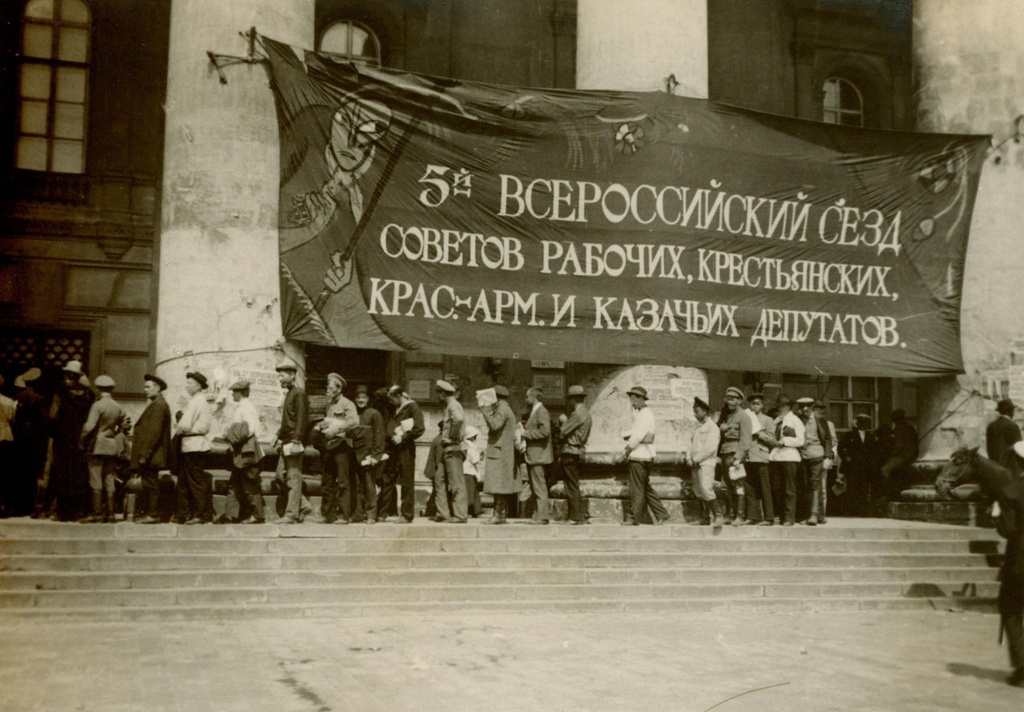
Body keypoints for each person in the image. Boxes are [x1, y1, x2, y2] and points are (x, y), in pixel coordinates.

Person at [46, 361, 94, 521]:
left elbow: (53, 416)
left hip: (63, 440)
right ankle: (79, 511)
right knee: (79, 475)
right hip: (80, 440)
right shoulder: (88, 396)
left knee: (62, 474)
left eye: (68, 376)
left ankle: (62, 512)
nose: (66, 379)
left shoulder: (60, 395)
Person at [78, 375, 126, 522]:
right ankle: (110, 514)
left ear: (98, 389)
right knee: (109, 479)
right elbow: (124, 426)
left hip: (97, 446)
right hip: (111, 446)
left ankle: (97, 514)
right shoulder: (118, 407)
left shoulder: (98, 405)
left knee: (95, 479)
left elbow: (89, 427)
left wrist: (81, 440)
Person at [314, 373, 359, 524]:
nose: (327, 388)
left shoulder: (347, 404)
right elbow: (329, 421)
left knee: (343, 482)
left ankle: (344, 515)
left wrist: (336, 428)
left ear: (339, 388)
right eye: (327, 385)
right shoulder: (331, 404)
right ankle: (328, 514)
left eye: (330, 386)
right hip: (329, 446)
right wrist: (322, 425)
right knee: (327, 481)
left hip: (342, 446)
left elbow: (353, 422)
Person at [997, 440, 1024, 687]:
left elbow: (1007, 530)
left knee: (1011, 609)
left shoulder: (1012, 489)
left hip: (1020, 562)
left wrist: (997, 514)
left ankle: (1022, 667)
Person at [622, 386, 669, 526]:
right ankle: (662, 514)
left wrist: (628, 448)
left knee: (636, 488)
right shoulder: (643, 413)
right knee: (645, 488)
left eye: (634, 399)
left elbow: (638, 435)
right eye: (631, 399)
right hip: (645, 455)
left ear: (641, 399)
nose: (632, 402)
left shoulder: (645, 414)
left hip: (639, 456)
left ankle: (633, 517)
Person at [222, 380, 265, 524]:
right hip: (243, 449)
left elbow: (248, 430)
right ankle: (230, 514)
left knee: (249, 482)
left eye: (234, 391)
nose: (232, 394)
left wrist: (229, 435)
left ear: (241, 392)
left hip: (247, 450)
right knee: (235, 482)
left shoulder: (246, 408)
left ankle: (258, 515)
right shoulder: (243, 407)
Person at [131, 374, 172, 524]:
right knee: (150, 483)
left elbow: (154, 432)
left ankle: (153, 514)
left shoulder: (159, 405)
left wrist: (144, 453)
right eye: (145, 387)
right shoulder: (157, 404)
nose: (145, 390)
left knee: (151, 483)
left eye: (148, 387)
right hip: (152, 453)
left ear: (158, 388)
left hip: (152, 454)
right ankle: (150, 512)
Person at [274, 361, 311, 524]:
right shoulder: (289, 394)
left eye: (282, 376)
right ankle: (303, 505)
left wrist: (297, 440)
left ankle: (291, 514)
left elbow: (302, 419)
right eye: (279, 376)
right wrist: (277, 435)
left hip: (293, 442)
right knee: (280, 475)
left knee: (293, 478)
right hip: (286, 440)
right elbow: (288, 420)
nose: (280, 379)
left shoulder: (299, 394)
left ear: (292, 375)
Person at [175, 371, 213, 524]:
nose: (187, 386)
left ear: (198, 387)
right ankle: (186, 513)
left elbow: (184, 425)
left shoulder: (196, 401)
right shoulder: (199, 401)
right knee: (185, 481)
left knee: (194, 482)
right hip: (191, 445)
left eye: (190, 383)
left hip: (193, 445)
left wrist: (178, 426)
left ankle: (199, 514)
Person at [383, 384, 424, 523]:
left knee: (406, 481)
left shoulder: (413, 407)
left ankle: (406, 515)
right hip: (394, 449)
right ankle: (382, 512)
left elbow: (419, 429)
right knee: (388, 478)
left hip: (406, 449)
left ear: (399, 396)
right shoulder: (397, 407)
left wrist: (403, 437)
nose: (390, 402)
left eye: (392, 399)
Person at [11, 369, 46, 518]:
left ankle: (18, 506)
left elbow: (13, 419)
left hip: (18, 437)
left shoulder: (17, 398)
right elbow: (43, 421)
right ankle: (30, 506)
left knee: (18, 472)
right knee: (31, 473)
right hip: (34, 439)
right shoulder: (40, 399)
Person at [481, 384, 517, 524]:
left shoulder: (502, 409)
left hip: (500, 453)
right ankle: (500, 515)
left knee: (499, 485)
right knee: (499, 485)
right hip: (501, 452)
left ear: (496, 397)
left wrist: (485, 411)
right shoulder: (505, 409)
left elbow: (495, 425)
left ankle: (498, 515)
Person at [717, 386, 753, 525]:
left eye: (732, 399)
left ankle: (740, 515)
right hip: (726, 452)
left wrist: (739, 457)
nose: (729, 402)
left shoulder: (744, 416)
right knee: (727, 485)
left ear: (739, 400)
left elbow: (746, 440)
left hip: (735, 454)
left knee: (738, 485)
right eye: (728, 399)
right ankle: (730, 513)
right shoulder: (728, 415)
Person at [795, 396, 833, 526]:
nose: (804, 409)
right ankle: (818, 515)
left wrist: (828, 456)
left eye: (807, 406)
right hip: (802, 456)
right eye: (801, 406)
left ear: (812, 407)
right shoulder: (798, 420)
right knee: (806, 485)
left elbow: (828, 438)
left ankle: (814, 515)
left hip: (817, 454)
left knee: (815, 483)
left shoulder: (820, 419)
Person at [434, 380, 468, 523]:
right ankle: (443, 513)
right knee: (439, 479)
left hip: (453, 448)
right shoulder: (452, 405)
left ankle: (460, 515)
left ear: (442, 394)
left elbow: (458, 419)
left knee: (456, 483)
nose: (437, 397)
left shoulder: (453, 406)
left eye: (438, 394)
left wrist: (452, 437)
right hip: (448, 450)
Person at [557, 385, 592, 525]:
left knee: (571, 486)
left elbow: (563, 431)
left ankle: (575, 516)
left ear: (573, 400)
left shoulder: (577, 414)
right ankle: (577, 515)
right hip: (578, 451)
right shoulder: (587, 414)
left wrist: (563, 420)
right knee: (574, 484)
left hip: (570, 451)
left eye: (570, 399)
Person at [351, 384, 384, 524]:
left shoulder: (374, 414)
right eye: (358, 397)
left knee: (369, 486)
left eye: (364, 397)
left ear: (368, 399)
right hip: (354, 454)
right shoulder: (352, 414)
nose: (361, 400)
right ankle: (358, 513)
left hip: (368, 456)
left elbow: (379, 436)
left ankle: (371, 514)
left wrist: (376, 455)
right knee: (356, 485)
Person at [770, 395, 805, 526]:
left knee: (789, 489)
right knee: (776, 487)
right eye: (779, 406)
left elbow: (801, 441)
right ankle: (780, 515)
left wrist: (784, 441)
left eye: (783, 406)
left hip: (790, 457)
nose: (780, 408)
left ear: (789, 406)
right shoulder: (777, 420)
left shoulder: (795, 420)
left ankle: (789, 517)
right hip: (776, 457)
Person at [688, 397, 722, 529]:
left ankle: (718, 515)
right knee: (699, 491)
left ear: (704, 411)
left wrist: (696, 459)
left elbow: (710, 448)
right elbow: (692, 444)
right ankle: (704, 518)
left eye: (696, 411)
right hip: (696, 464)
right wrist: (689, 457)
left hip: (706, 463)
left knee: (706, 488)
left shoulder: (712, 427)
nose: (695, 415)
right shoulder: (699, 428)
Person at [521, 387, 553, 525]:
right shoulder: (536, 411)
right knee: (535, 486)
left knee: (539, 486)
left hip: (538, 455)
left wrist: (525, 433)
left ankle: (543, 516)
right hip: (534, 455)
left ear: (534, 397)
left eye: (527, 397)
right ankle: (537, 515)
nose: (525, 400)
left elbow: (545, 431)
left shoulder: (542, 412)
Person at [837, 414, 879, 517]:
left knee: (864, 488)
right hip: (852, 467)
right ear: (857, 423)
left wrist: (872, 462)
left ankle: (862, 511)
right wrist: (846, 457)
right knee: (852, 488)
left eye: (865, 423)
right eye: (861, 423)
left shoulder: (871, 436)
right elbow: (840, 448)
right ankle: (850, 511)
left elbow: (875, 451)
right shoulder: (850, 435)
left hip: (866, 467)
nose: (863, 425)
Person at [745, 393, 777, 526]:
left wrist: (759, 433)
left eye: (758, 403)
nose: (755, 406)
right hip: (748, 456)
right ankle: (753, 516)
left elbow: (773, 441)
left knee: (765, 488)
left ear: (762, 406)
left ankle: (769, 517)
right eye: (753, 403)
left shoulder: (768, 420)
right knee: (749, 488)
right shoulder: (746, 418)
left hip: (762, 457)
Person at [880, 409, 918, 501]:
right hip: (912, 455)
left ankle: (888, 495)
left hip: (903, 456)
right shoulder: (911, 427)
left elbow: (899, 446)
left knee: (884, 470)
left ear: (896, 419)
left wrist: (890, 456)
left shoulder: (899, 428)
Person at [812, 399, 838, 524]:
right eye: (816, 407)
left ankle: (822, 514)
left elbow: (832, 441)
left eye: (821, 408)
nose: (819, 410)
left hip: (822, 457)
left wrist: (827, 456)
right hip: (810, 458)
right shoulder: (807, 422)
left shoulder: (828, 424)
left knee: (822, 488)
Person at [987, 398, 1022, 471]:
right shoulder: (1013, 426)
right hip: (1011, 468)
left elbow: (989, 448)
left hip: (995, 467)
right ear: (1011, 411)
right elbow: (1019, 449)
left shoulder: (991, 426)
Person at [0, 375, 18, 517]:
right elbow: (12, 418)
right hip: (5, 436)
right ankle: (3, 505)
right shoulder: (8, 401)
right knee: (4, 472)